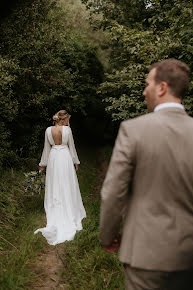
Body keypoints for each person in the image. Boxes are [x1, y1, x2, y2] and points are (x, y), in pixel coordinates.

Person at [99, 59, 193, 289]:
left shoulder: (133, 130)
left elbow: (113, 192)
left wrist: (107, 236)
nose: (144, 91)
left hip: (145, 254)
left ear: (162, 88)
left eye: (147, 84)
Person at [34, 110, 86, 245]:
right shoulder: (67, 130)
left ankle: (56, 203)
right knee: (67, 182)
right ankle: (68, 204)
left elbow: (46, 148)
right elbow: (72, 147)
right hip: (65, 157)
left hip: (53, 157)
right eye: (68, 119)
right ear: (63, 120)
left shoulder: (47, 130)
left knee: (54, 183)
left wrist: (42, 165)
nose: (68, 122)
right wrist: (76, 162)